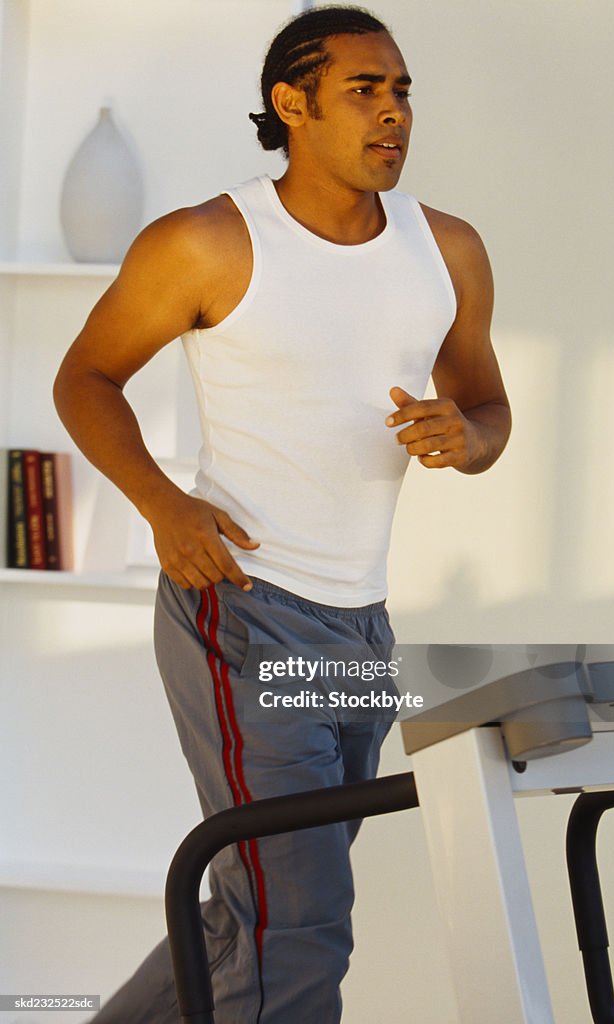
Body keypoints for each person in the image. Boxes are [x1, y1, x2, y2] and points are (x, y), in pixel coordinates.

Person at [54, 6, 511, 1022]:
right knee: (297, 922)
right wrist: (163, 504)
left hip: (359, 629)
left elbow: (487, 409)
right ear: (290, 104)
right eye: (364, 91)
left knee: (255, 907)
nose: (393, 114)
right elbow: (85, 377)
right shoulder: (207, 243)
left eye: (401, 93)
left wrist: (461, 437)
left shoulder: (447, 251)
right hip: (245, 609)